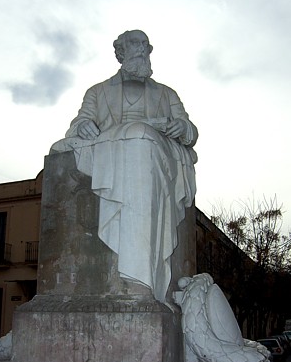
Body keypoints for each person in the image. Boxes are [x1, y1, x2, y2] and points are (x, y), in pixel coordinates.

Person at [50, 30, 198, 304]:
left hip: (157, 150)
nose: (142, 49)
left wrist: (182, 128)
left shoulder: (167, 94)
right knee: (62, 147)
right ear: (120, 52)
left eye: (146, 45)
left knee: (141, 137)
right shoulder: (97, 91)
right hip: (110, 144)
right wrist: (82, 126)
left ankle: (138, 274)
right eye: (135, 44)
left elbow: (190, 129)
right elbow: (80, 122)